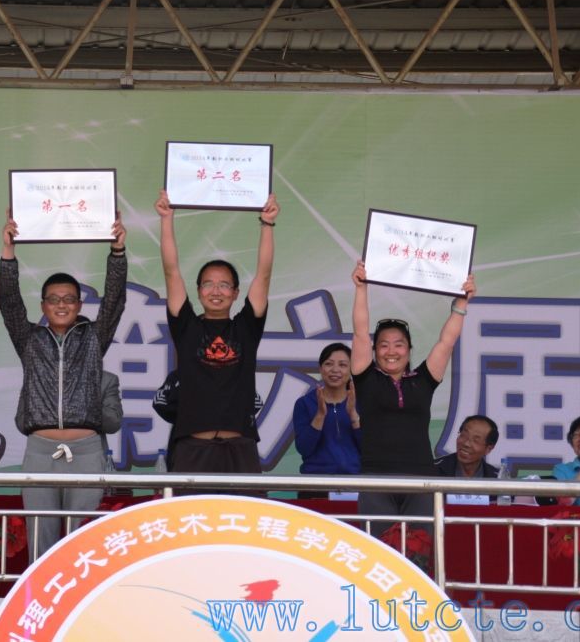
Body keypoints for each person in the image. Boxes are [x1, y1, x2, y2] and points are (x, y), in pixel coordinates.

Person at [0, 209, 126, 557]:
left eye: (69, 299)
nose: (61, 305)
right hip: (40, 450)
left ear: (79, 304)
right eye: (53, 299)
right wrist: (8, 253)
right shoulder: (30, 339)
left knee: (82, 543)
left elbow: (115, 301)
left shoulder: (93, 337)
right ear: (43, 305)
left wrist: (117, 252)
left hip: (86, 451)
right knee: (41, 541)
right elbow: (9, 303)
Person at [154, 190, 278, 479]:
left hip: (240, 448)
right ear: (198, 292)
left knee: (244, 511)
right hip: (192, 449)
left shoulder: (246, 328)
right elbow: (171, 272)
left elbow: (264, 275)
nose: (216, 291)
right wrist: (166, 219)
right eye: (208, 284)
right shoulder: (186, 327)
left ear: (235, 293)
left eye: (224, 285)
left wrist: (268, 224)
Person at [350, 259, 476, 536]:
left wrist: (461, 302)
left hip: (421, 481)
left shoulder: (423, 380)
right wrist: (361, 288)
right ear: (374, 351)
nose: (391, 351)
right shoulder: (366, 378)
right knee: (379, 552)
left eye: (399, 344)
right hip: (376, 481)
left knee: (421, 551)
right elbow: (360, 331)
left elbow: (446, 341)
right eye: (383, 345)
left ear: (409, 350)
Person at [292, 343, 361, 497]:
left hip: (355, 484)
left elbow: (368, 449)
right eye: (329, 364)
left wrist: (353, 415)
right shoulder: (304, 403)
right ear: (320, 368)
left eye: (342, 365)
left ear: (351, 370)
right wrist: (320, 415)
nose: (335, 370)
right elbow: (304, 448)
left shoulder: (361, 402)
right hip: (315, 485)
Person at [434, 415, 499, 479]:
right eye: (464, 435)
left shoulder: (497, 478)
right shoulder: (433, 469)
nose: (466, 444)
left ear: (488, 449)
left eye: (476, 440)